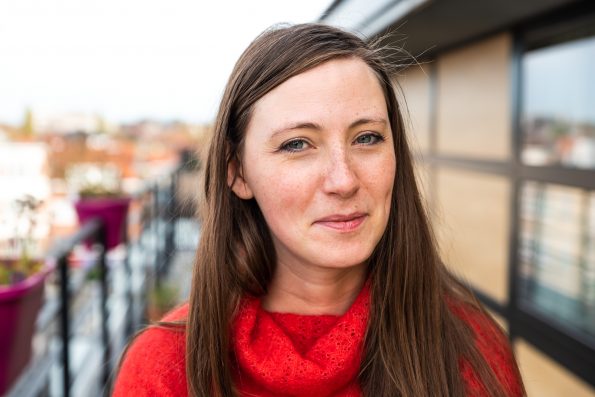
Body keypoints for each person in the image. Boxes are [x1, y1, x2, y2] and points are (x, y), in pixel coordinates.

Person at [112, 23, 525, 397]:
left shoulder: (471, 348)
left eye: (366, 138)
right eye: (297, 144)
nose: (343, 180)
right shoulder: (165, 369)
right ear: (237, 173)